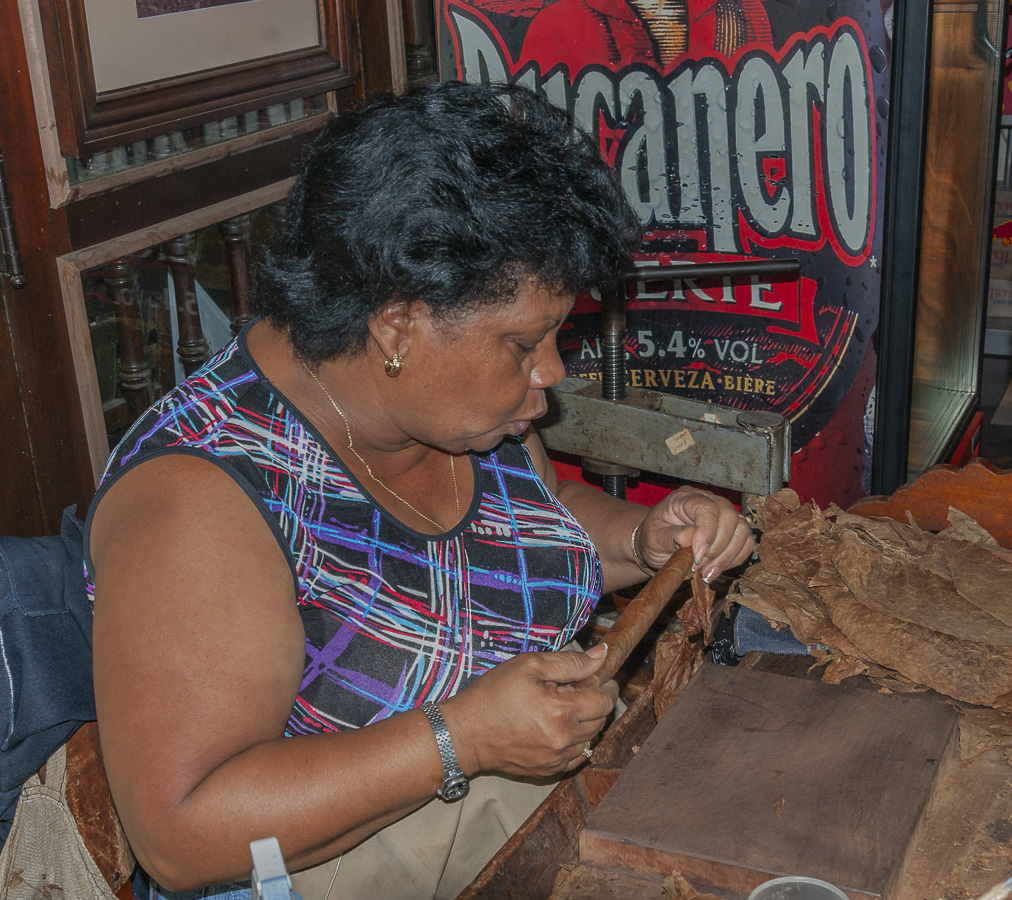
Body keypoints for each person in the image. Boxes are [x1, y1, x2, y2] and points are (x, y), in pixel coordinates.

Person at [85, 80, 755, 900]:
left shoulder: (458, 409)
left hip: (524, 839)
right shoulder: (200, 497)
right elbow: (183, 834)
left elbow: (529, 527)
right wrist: (460, 739)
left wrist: (639, 537)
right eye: (523, 344)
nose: (550, 374)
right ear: (398, 325)